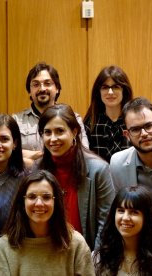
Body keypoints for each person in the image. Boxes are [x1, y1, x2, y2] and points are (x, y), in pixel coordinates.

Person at [37, 103, 114, 249]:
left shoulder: (99, 170)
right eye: (47, 132)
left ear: (74, 132)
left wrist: (92, 262)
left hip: (87, 254)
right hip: (46, 252)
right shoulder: (36, 170)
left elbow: (106, 224)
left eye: (60, 131)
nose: (53, 139)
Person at [0, 170, 95, 275]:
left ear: (56, 202)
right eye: (32, 197)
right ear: (22, 202)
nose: (39, 203)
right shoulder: (4, 246)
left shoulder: (76, 244)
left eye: (46, 197)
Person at [12, 62, 89, 159]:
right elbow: (9, 154)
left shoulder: (73, 118)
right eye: (36, 84)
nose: (42, 88)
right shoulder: (16, 121)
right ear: (29, 91)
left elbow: (84, 152)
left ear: (57, 88)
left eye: (47, 83)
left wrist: (35, 156)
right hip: (29, 174)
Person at [93, 186, 152, 275]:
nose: (125, 218)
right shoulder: (99, 258)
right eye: (121, 211)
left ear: (147, 218)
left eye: (134, 212)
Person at [84, 65, 133, 162]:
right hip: (99, 177)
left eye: (116, 87)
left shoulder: (133, 122)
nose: (110, 92)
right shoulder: (90, 124)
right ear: (99, 92)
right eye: (105, 87)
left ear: (124, 90)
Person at [110, 97, 152, 201]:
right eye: (135, 129)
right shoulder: (118, 164)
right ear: (127, 135)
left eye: (149, 126)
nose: (144, 134)